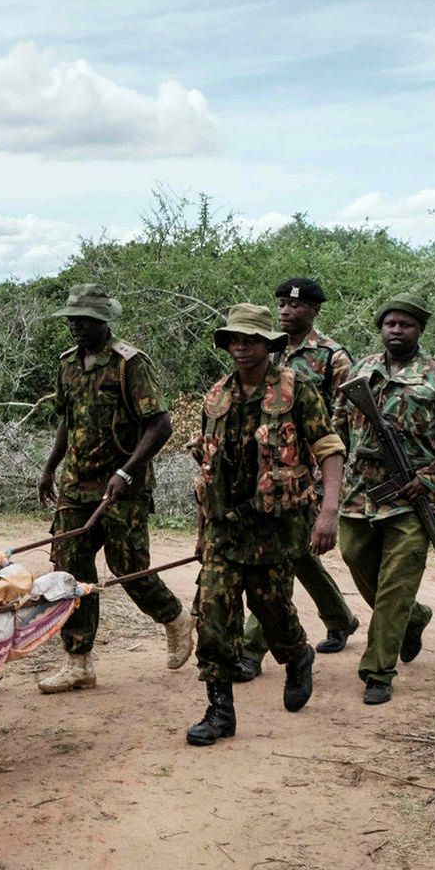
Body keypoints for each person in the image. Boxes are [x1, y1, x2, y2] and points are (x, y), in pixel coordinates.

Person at [186, 303, 345, 745]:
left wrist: (328, 512)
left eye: (250, 339)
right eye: (234, 340)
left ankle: (297, 656)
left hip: (273, 526)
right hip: (223, 526)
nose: (240, 347)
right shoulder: (216, 396)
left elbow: (329, 448)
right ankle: (219, 712)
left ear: (267, 344)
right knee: (212, 615)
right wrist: (203, 534)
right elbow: (208, 466)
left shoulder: (297, 391)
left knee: (272, 609)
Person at [36, 284, 194, 693]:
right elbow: (67, 421)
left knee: (129, 570)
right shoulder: (67, 364)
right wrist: (50, 468)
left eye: (84, 319)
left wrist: (125, 472)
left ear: (103, 322)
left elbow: (160, 425)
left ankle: (175, 619)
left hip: (123, 486)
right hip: (76, 485)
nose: (75, 326)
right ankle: (78, 662)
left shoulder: (130, 364)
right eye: (71, 318)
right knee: (70, 572)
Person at [333, 294, 435, 705]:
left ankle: (378, 669)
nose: (397, 330)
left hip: (412, 499)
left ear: (420, 331)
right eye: (390, 324)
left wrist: (432, 476)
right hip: (360, 495)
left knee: (397, 582)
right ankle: (413, 618)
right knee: (355, 559)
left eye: (406, 325)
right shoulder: (361, 370)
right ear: (381, 328)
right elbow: (337, 425)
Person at [237, 277, 359, 681]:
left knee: (279, 555)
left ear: (314, 311)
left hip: (310, 470)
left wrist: (330, 484)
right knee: (296, 551)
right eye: (282, 305)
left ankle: (253, 649)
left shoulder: (332, 356)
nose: (287, 311)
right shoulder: (264, 348)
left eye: (297, 306)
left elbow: (344, 419)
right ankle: (339, 616)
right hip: (268, 469)